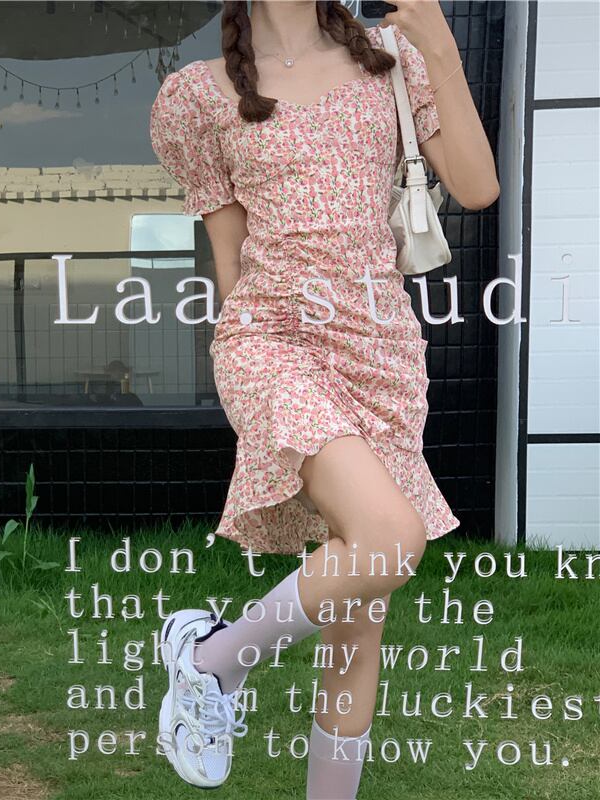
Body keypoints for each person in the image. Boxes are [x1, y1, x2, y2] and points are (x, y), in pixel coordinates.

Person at [149, 1, 499, 797]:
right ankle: (213, 662)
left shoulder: (392, 57)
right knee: (392, 539)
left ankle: (218, 671)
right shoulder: (200, 96)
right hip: (272, 338)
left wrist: (440, 46)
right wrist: (247, 371)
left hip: (379, 351)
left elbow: (478, 187)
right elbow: (229, 256)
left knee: (358, 623)